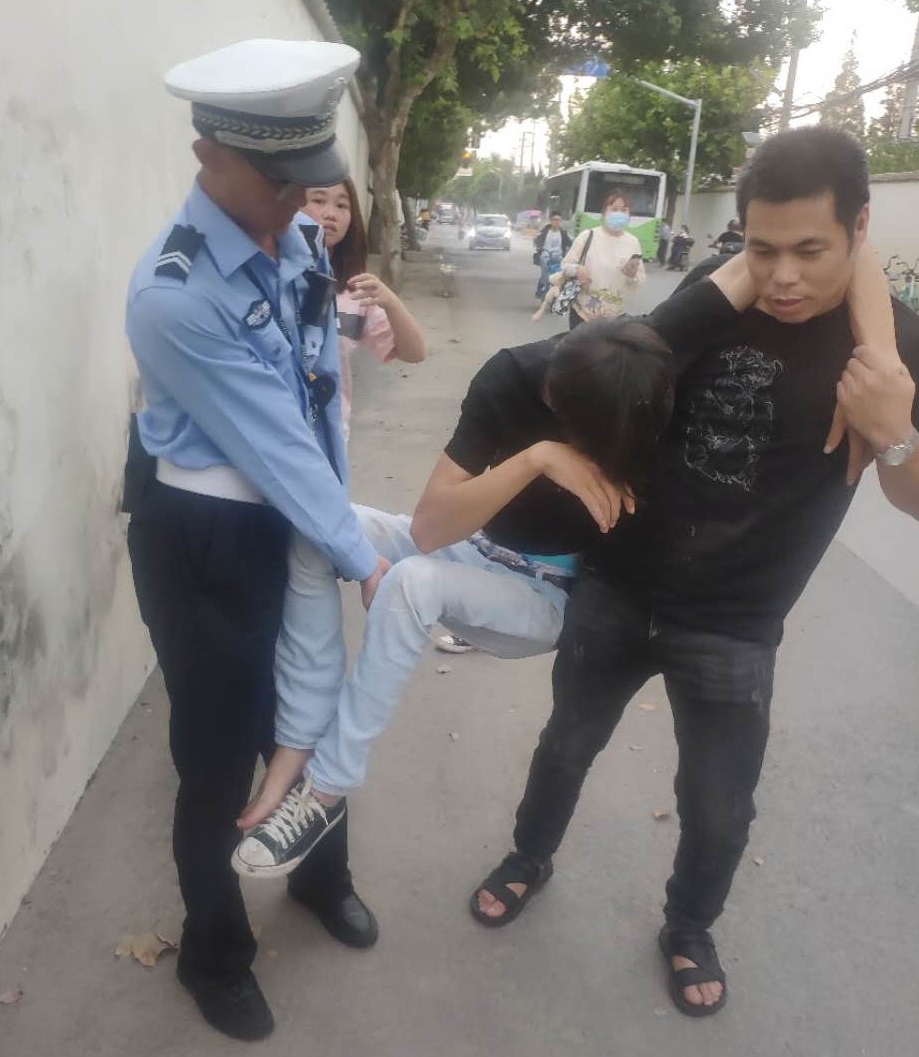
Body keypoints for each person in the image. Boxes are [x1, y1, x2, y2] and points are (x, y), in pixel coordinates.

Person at [470, 127, 919, 1018]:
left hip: (735, 622)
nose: (781, 276)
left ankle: (688, 924)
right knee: (566, 743)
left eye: (809, 251)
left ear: (860, 227)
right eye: (762, 248)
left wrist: (896, 432)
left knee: (717, 804)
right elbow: (625, 371)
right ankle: (529, 853)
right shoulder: (714, 294)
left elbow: (908, 498)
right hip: (618, 582)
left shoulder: (894, 343)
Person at [228, 253, 763, 877]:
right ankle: (299, 738)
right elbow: (430, 528)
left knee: (411, 583)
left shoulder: (643, 376)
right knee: (322, 525)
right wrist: (535, 460)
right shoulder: (519, 374)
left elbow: (757, 264)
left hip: (548, 597)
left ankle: (325, 788)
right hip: (471, 549)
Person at [121, 39, 388, 1042]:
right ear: (208, 155)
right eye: (279, 182)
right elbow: (274, 441)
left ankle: (318, 874)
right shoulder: (174, 295)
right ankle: (214, 950)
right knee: (220, 752)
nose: (298, 202)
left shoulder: (295, 233)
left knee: (311, 711)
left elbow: (314, 395)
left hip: (293, 510)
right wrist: (364, 554)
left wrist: (336, 525)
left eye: (308, 179)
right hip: (206, 542)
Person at [301, 180, 426, 442]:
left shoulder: (354, 291)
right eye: (319, 200)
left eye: (342, 205)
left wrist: (391, 302)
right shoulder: (268, 278)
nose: (331, 214)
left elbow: (414, 353)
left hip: (329, 439)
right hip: (269, 437)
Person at [532, 189, 646, 327]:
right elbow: (565, 266)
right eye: (615, 209)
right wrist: (577, 270)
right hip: (582, 314)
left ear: (629, 214)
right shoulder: (587, 236)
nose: (619, 214)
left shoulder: (633, 243)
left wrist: (632, 276)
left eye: (624, 210)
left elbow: (638, 282)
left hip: (613, 318)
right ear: (604, 212)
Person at [533, 212, 571, 300]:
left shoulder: (563, 233)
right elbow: (537, 241)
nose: (557, 222)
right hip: (546, 257)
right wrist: (540, 247)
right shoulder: (544, 232)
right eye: (555, 220)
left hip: (559, 257)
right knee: (545, 276)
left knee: (558, 277)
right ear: (550, 221)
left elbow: (569, 243)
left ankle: (556, 295)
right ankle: (542, 291)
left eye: (559, 220)